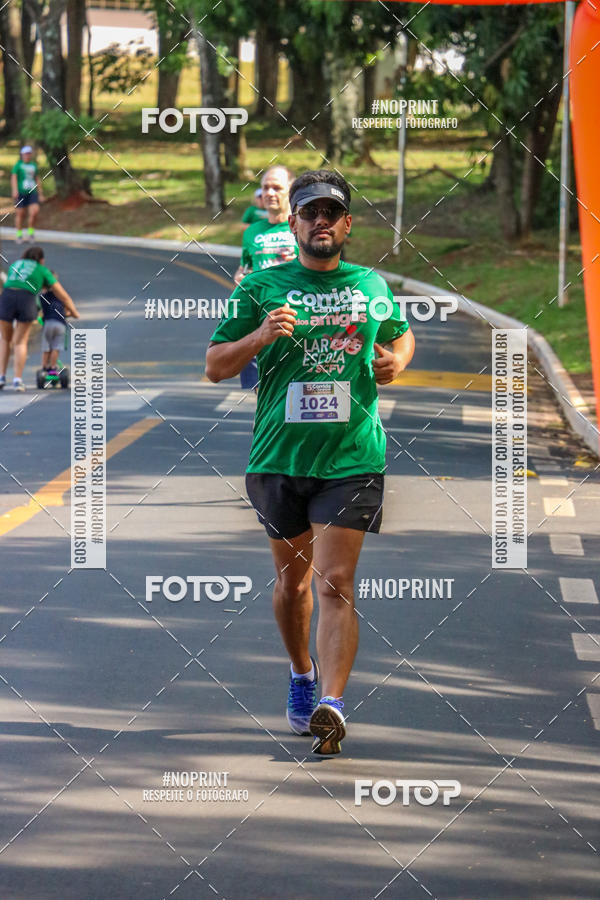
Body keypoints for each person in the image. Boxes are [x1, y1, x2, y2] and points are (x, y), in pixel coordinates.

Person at [206, 169, 415, 755]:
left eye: (331, 212)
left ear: (347, 224)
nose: (320, 220)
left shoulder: (370, 285)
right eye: (309, 212)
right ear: (293, 223)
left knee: (336, 582)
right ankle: (302, 674)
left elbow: (401, 336)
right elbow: (216, 365)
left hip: (352, 456)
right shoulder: (261, 289)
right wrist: (262, 337)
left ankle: (333, 701)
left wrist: (396, 360)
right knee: (293, 583)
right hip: (278, 457)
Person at [233, 166, 298, 390]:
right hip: (259, 321)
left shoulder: (302, 226)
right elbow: (244, 268)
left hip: (297, 321)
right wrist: (240, 278)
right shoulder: (252, 232)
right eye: (265, 188)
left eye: (277, 188)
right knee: (263, 392)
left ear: (291, 190)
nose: (270, 193)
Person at [0, 247, 77, 391]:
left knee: (5, 339)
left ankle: (1, 377)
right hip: (26, 299)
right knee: (20, 342)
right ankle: (17, 380)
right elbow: (63, 296)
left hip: (7, 298)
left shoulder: (16, 264)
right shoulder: (42, 269)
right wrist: (74, 312)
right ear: (41, 260)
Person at [39, 276, 81, 375]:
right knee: (56, 347)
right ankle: (53, 368)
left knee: (46, 347)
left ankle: (44, 368)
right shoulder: (61, 297)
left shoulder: (42, 297)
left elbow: (41, 311)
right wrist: (71, 314)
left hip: (48, 323)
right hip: (60, 324)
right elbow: (66, 312)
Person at [11, 146, 44, 244]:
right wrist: (15, 190)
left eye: (29, 153)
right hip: (21, 192)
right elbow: (14, 178)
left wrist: (40, 193)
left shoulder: (34, 165)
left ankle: (31, 233)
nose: (27, 155)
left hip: (32, 192)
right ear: (22, 155)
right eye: (25, 154)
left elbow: (37, 178)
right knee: (20, 214)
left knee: (35, 212)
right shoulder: (18, 165)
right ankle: (19, 234)